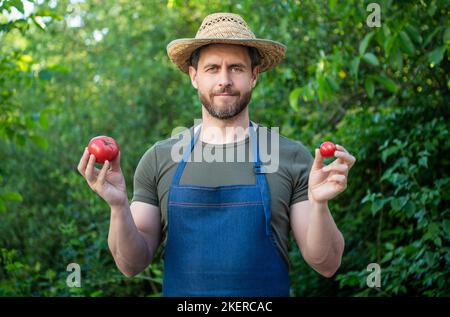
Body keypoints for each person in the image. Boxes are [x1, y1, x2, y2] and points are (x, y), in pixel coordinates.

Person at [77, 12, 356, 297]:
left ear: (254, 75)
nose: (224, 80)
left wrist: (320, 204)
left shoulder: (291, 156)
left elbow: (327, 264)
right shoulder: (159, 159)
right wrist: (118, 206)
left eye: (236, 68)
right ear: (194, 76)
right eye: (212, 69)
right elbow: (130, 264)